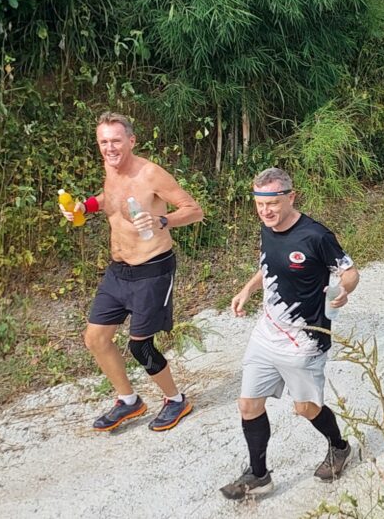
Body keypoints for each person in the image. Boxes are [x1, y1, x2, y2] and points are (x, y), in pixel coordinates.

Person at [221, 167, 360, 500]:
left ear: (291, 197)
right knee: (248, 404)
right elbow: (270, 264)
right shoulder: (267, 228)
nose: (265, 211)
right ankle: (259, 475)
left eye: (272, 203)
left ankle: (339, 447)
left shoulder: (316, 236)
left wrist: (344, 289)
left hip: (305, 340)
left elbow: (350, 271)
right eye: (259, 204)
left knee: (306, 408)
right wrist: (247, 289)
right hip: (266, 333)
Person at [59, 111, 204, 431]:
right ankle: (129, 401)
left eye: (116, 141)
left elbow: (194, 211)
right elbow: (111, 199)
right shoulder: (110, 168)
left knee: (140, 345)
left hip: (152, 269)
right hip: (118, 271)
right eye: (103, 142)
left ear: (132, 140)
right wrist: (84, 206)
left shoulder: (151, 174)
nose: (109, 148)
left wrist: (162, 220)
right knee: (95, 338)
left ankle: (176, 400)